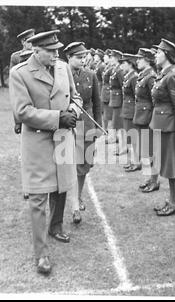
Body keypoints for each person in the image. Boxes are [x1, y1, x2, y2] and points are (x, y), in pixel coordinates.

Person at [9, 30, 83, 275]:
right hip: (38, 144)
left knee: (62, 187)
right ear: (36, 50)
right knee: (39, 198)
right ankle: (41, 254)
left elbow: (76, 96)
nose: (56, 54)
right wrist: (57, 117)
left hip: (62, 139)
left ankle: (56, 225)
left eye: (57, 50)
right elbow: (22, 112)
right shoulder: (19, 74)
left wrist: (74, 109)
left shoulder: (63, 68)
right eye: (50, 51)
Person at [63, 42, 102, 224]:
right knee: (66, 164)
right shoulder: (61, 75)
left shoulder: (91, 75)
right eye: (78, 57)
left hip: (86, 126)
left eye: (84, 56)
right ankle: (73, 203)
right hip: (66, 124)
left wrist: (98, 127)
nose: (83, 60)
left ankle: (77, 199)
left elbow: (96, 102)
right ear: (68, 58)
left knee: (83, 165)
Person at [151, 39, 175, 216]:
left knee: (173, 168)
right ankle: (172, 200)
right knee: (167, 166)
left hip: (171, 128)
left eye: (158, 52)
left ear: (166, 55)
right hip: (162, 125)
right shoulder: (164, 73)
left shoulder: (172, 75)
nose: (155, 55)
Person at [133, 48, 159, 193]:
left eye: (139, 58)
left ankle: (154, 181)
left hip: (148, 118)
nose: (137, 61)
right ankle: (151, 178)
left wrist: (153, 120)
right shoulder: (144, 75)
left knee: (153, 151)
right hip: (142, 117)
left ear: (147, 60)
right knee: (147, 151)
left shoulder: (151, 77)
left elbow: (155, 100)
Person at [119, 53, 140, 172]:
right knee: (130, 137)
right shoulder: (129, 76)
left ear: (130, 64)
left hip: (132, 110)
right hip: (127, 109)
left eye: (124, 63)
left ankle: (136, 161)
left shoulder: (134, 77)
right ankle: (133, 160)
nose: (122, 65)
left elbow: (137, 97)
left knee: (134, 137)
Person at [108, 49, 126, 155]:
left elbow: (124, 87)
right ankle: (121, 146)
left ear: (116, 58)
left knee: (120, 125)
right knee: (117, 125)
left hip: (119, 101)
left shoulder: (119, 71)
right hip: (115, 101)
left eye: (111, 57)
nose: (110, 59)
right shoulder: (115, 69)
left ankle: (123, 147)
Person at [101, 49, 113, 133]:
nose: (104, 58)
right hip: (105, 92)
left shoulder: (112, 68)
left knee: (109, 115)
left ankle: (108, 131)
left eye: (106, 56)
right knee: (105, 114)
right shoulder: (107, 67)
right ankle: (105, 130)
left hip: (109, 93)